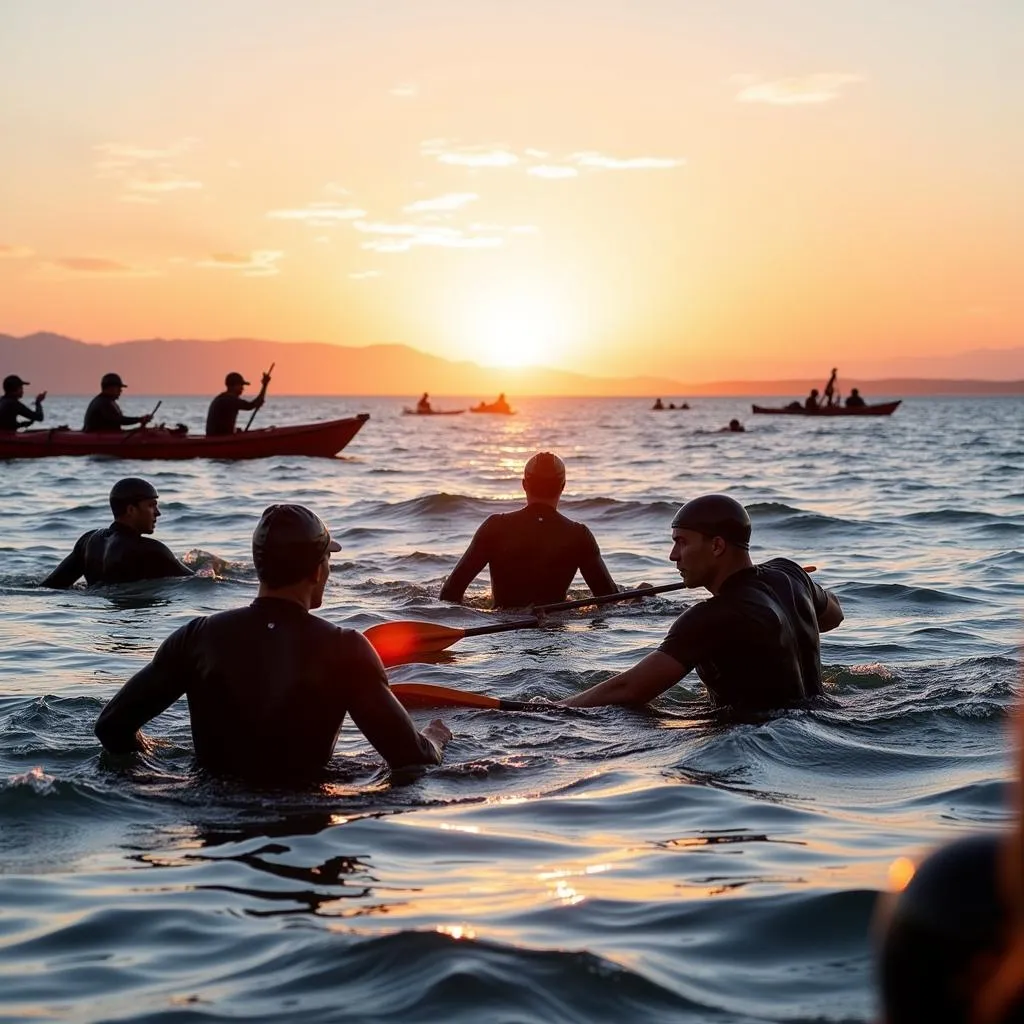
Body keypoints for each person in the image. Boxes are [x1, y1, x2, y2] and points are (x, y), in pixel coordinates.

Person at [94, 503, 451, 782]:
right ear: (316, 570)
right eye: (328, 560)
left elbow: (111, 727)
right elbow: (410, 760)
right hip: (304, 823)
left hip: (211, 825)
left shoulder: (197, 637)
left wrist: (157, 767)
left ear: (260, 566)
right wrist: (435, 737)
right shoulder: (345, 648)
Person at [559, 494, 844, 713]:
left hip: (759, 735)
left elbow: (629, 689)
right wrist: (794, 600)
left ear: (717, 546)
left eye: (682, 542)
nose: (673, 555)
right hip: (823, 713)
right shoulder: (790, 573)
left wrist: (552, 709)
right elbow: (834, 615)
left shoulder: (711, 617)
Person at [439, 451, 619, 609]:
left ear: (524, 484)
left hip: (503, 633)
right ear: (563, 486)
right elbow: (609, 600)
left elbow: (450, 593)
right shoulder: (579, 535)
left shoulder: (495, 526)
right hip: (554, 634)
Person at [40, 477, 194, 588]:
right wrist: (210, 567)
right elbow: (198, 582)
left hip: (99, 618)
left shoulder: (88, 541)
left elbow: (50, 586)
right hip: (132, 614)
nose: (157, 513)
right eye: (151, 506)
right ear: (131, 510)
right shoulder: (151, 550)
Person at [205, 369, 272, 436]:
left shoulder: (222, 398)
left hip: (217, 436)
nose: (242, 388)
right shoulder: (229, 400)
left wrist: (235, 430)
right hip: (219, 438)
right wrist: (265, 385)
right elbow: (252, 405)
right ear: (233, 386)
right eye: (241, 385)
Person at [82, 373, 153, 433]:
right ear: (110, 388)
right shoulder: (103, 403)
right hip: (99, 438)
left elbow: (117, 421)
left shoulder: (107, 401)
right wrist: (140, 419)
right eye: (118, 388)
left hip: (106, 435)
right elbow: (119, 420)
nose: (120, 391)